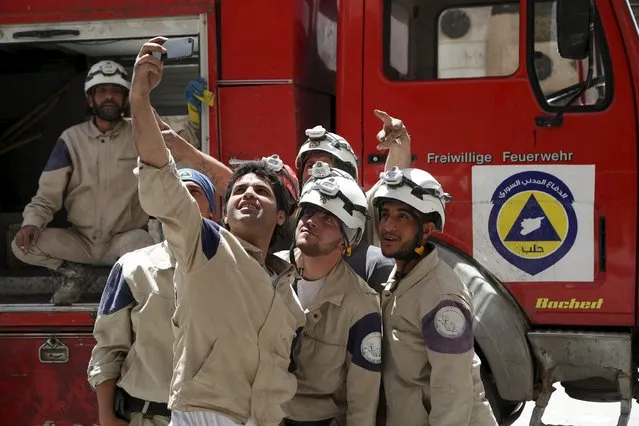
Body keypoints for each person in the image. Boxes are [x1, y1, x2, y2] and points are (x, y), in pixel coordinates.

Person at [129, 36, 305, 426]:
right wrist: (139, 102)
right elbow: (161, 176)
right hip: (203, 416)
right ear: (223, 211)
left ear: (282, 217)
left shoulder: (289, 289)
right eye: (238, 191)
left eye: (262, 192)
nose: (247, 194)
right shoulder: (205, 246)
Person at [10, 60, 201, 305]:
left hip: (124, 241)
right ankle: (76, 274)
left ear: (125, 98)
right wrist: (32, 223)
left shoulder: (140, 132)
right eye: (101, 91)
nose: (109, 96)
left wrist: (196, 115)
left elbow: (182, 144)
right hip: (80, 241)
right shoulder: (71, 139)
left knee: (145, 244)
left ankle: (131, 296)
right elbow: (47, 194)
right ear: (90, 99)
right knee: (22, 245)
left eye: (116, 91)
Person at [87, 168, 218, 426]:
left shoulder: (232, 270)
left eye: (193, 191)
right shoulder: (131, 268)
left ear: (212, 210)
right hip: (146, 417)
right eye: (175, 190)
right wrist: (107, 416)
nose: (182, 197)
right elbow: (108, 349)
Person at [372, 166, 498, 426]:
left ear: (427, 230)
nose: (388, 226)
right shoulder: (404, 277)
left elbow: (453, 396)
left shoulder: (442, 297)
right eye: (385, 214)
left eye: (402, 216)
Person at [278, 162, 381, 426]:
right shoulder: (267, 273)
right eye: (309, 211)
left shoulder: (361, 304)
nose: (311, 220)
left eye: (328, 218)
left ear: (346, 241)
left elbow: (362, 401)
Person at [291, 114, 415, 292]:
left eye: (324, 165)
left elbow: (392, 182)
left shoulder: (362, 208)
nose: (316, 172)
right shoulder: (293, 214)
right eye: (310, 165)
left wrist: (399, 142)